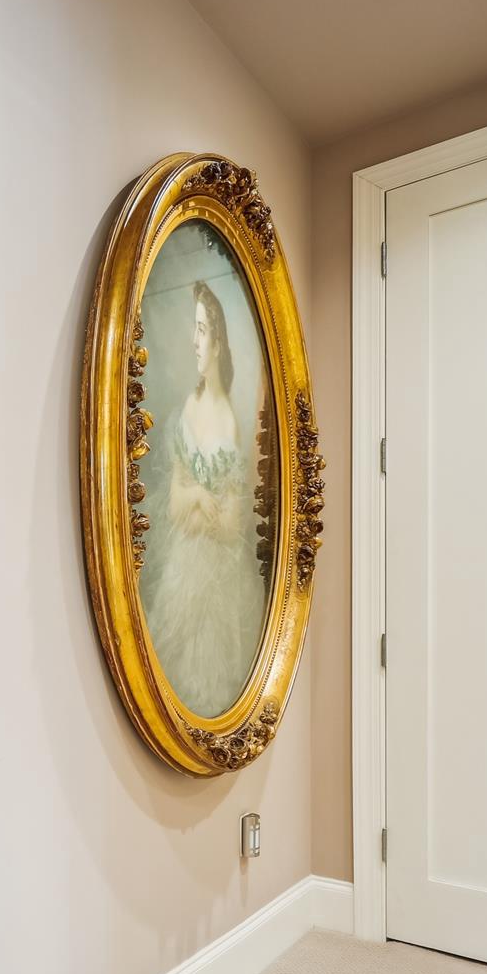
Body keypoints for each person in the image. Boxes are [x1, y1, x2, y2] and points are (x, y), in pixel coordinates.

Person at [143, 277, 266, 716]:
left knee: (209, 676)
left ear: (217, 342)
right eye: (193, 330)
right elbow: (176, 505)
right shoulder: (187, 410)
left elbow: (231, 524)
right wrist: (197, 496)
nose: (194, 341)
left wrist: (195, 503)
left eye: (201, 330)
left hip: (217, 577)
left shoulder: (229, 421)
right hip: (183, 567)